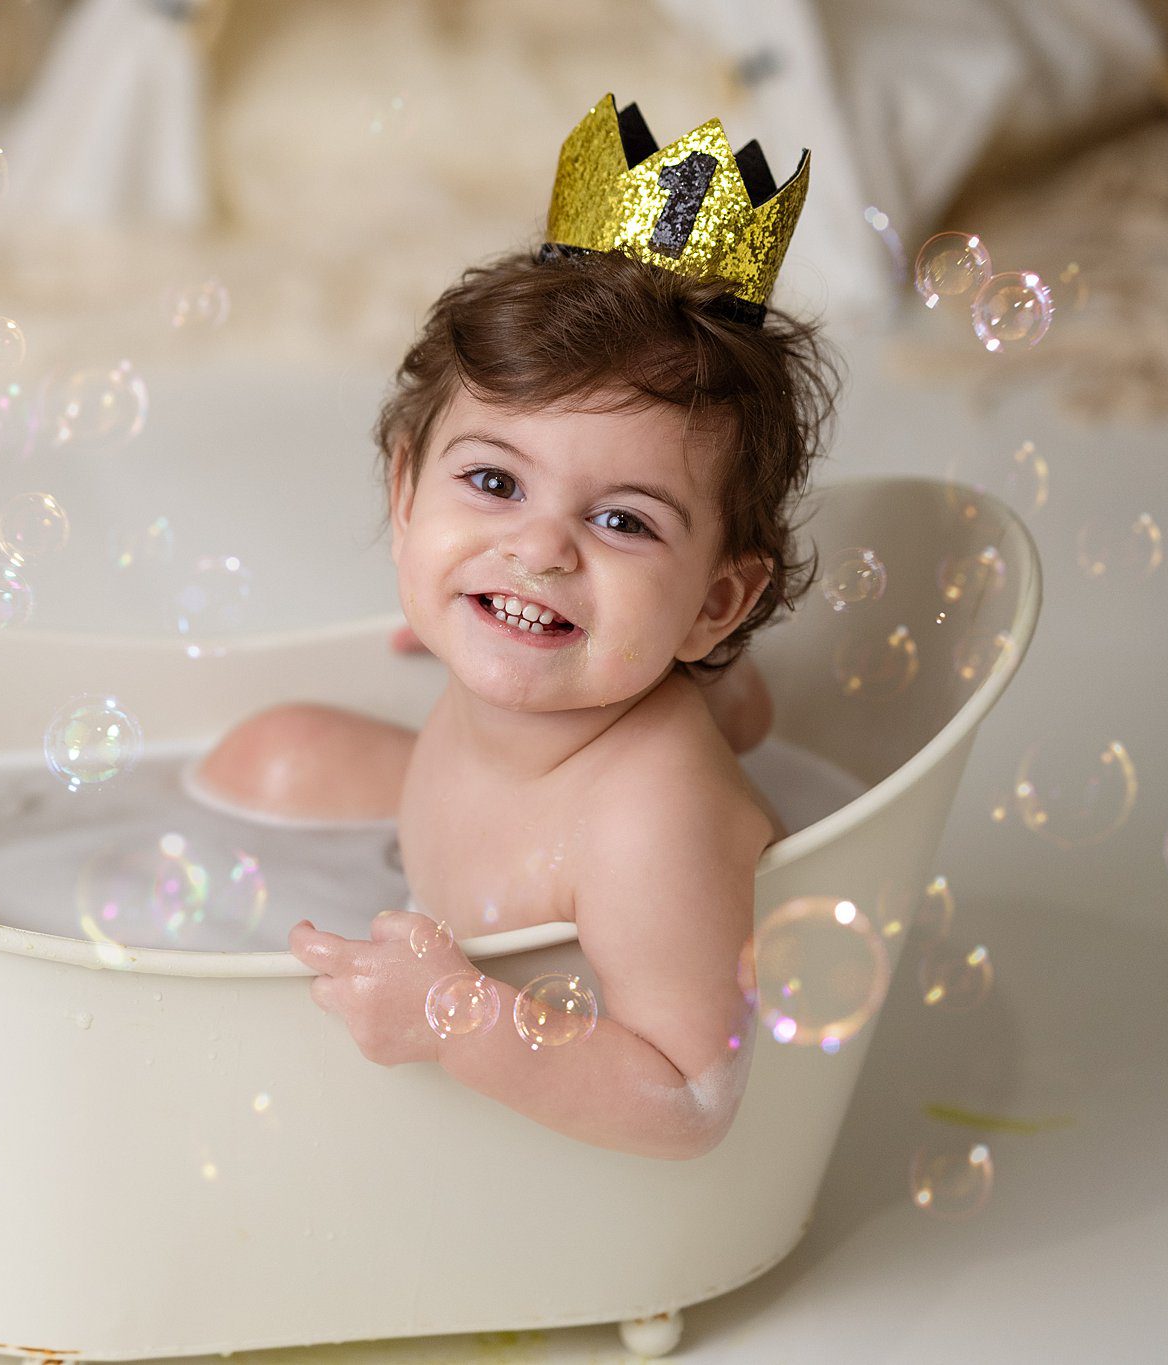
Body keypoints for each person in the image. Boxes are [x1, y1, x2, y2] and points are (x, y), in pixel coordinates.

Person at [190, 95, 840, 1158]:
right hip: (465, 864)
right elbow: (715, 686)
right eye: (492, 481)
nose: (539, 551)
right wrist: (499, 628)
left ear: (715, 603)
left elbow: (689, 1102)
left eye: (623, 521)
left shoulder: (647, 822)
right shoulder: (564, 669)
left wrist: (460, 1021)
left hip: (535, 1049)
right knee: (272, 750)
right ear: (404, 500)